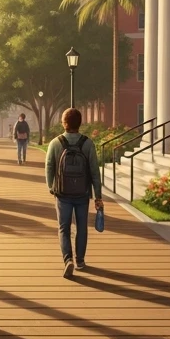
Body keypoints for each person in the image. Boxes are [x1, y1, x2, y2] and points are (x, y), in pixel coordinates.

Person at [45, 107, 104, 279]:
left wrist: (51, 186)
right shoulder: (88, 143)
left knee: (63, 228)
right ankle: (80, 260)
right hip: (82, 193)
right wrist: (98, 195)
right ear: (80, 123)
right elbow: (94, 171)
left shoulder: (55, 143)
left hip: (62, 193)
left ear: (64, 123)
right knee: (81, 227)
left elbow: (49, 166)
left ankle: (67, 259)